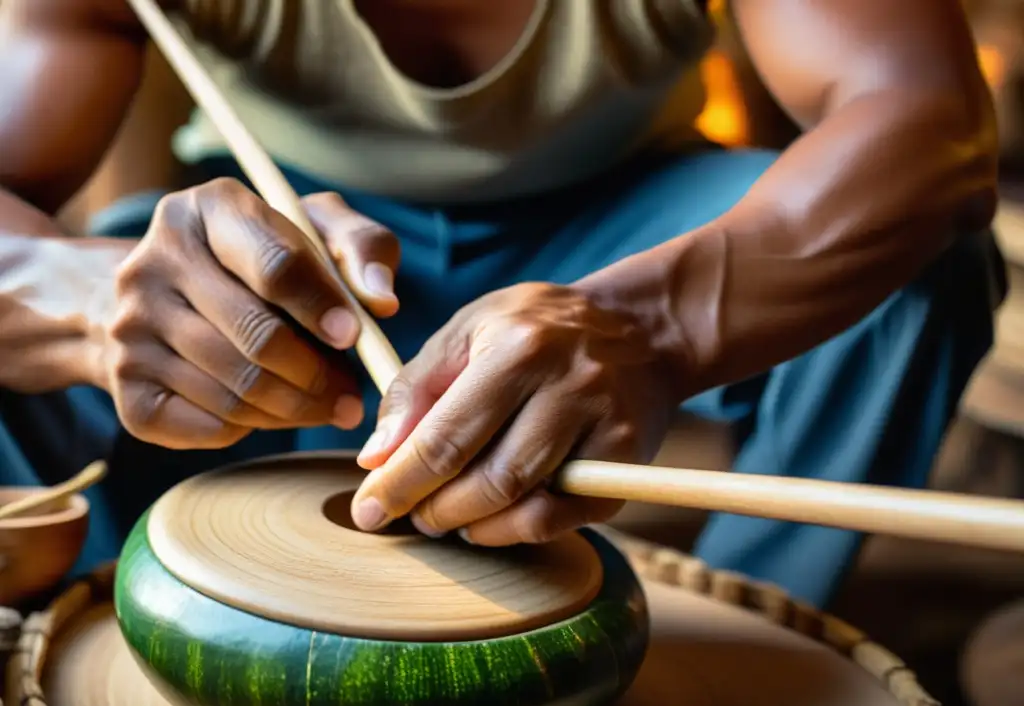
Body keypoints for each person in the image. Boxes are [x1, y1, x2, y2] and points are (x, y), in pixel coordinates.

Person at [0, 0, 1004, 608]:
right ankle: (120, 630)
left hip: (625, 232)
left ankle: (748, 649)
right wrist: (95, 306)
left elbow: (926, 119)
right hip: (298, 250)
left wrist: (649, 330)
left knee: (915, 275)